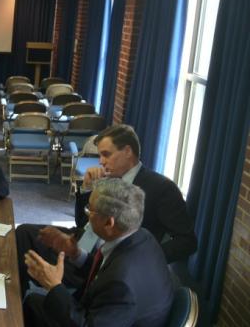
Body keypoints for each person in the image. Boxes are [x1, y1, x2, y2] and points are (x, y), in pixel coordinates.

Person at [16, 124, 196, 294]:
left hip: (105, 261)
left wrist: (141, 258)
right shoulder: (108, 179)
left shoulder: (161, 188)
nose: (101, 161)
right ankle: (17, 295)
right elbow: (83, 222)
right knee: (24, 233)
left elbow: (187, 242)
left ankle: (22, 302)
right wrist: (86, 188)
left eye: (106, 154)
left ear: (127, 152)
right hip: (83, 241)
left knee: (28, 252)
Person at [23, 179, 174, 327]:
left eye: (90, 210)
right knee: (32, 305)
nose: (87, 215)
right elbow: (104, 276)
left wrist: (54, 286)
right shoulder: (141, 236)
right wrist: (76, 253)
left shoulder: (123, 283)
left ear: (109, 223)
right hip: (105, 322)